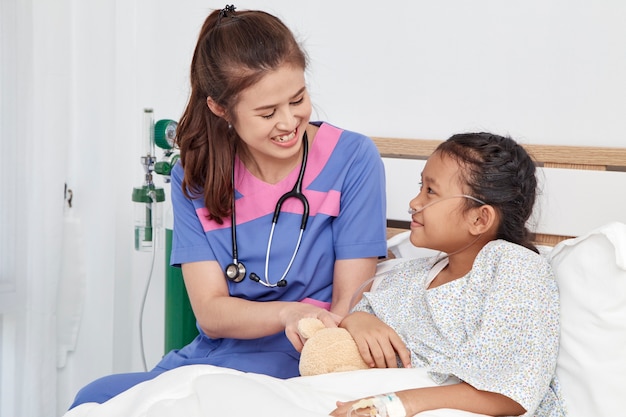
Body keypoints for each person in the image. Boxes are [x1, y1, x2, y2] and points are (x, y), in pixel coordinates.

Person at [69, 5, 386, 408]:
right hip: (216, 355)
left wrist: (306, 327)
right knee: (93, 399)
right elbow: (212, 313)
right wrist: (285, 313)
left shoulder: (353, 158)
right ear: (221, 109)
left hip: (306, 357)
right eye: (267, 112)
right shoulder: (194, 175)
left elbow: (350, 301)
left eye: (298, 99)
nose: (289, 122)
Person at [331, 133, 566, 417]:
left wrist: (391, 405)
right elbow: (364, 314)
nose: (415, 202)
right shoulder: (412, 275)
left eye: (431, 191)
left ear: (479, 219)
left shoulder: (517, 268)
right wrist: (358, 319)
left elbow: (510, 393)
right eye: (421, 186)